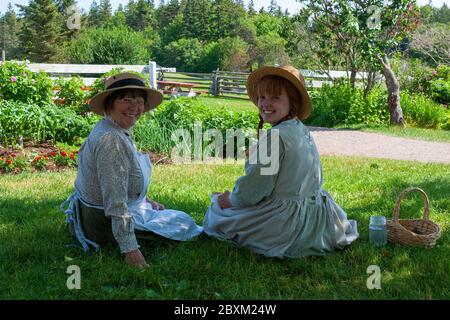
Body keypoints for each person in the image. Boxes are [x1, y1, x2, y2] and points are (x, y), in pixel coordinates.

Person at [203, 65, 359, 258]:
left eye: (275, 98)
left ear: (291, 102)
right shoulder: (299, 128)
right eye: (262, 97)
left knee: (216, 215)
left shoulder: (276, 137)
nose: (265, 104)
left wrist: (230, 199)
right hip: (315, 217)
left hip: (288, 224)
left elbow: (256, 188)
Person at [61, 72, 203, 269]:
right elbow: (115, 201)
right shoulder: (111, 140)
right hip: (102, 224)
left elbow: (119, 180)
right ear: (110, 103)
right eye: (126, 100)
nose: (134, 108)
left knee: (176, 218)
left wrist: (145, 201)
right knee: (182, 222)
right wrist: (130, 249)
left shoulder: (112, 129)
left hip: (95, 217)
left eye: (139, 101)